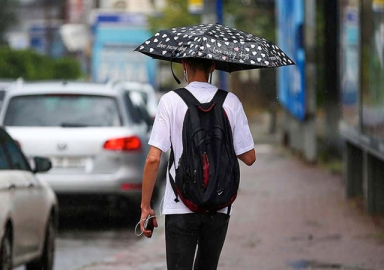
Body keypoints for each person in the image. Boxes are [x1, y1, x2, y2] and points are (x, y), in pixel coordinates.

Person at [140, 58, 256, 270]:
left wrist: (146, 207)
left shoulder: (170, 101)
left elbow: (153, 158)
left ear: (184, 65)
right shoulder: (230, 101)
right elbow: (249, 157)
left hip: (179, 205)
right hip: (219, 204)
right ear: (213, 67)